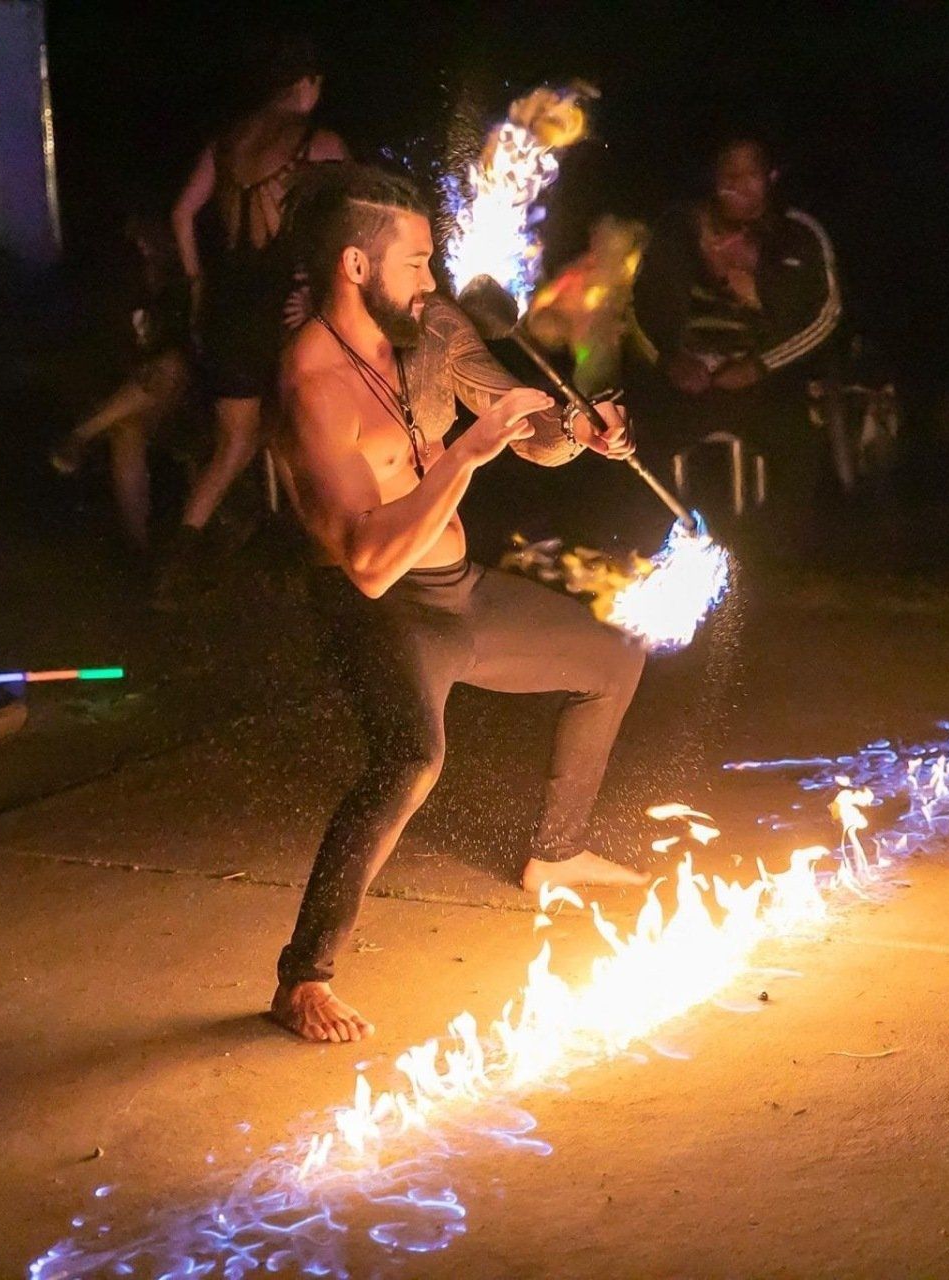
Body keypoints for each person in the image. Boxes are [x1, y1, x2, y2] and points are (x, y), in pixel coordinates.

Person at [269, 164, 649, 1043]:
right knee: (409, 761)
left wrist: (575, 432)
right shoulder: (310, 388)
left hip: (461, 589)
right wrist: (467, 457)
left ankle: (553, 854)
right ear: (356, 267)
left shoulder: (429, 330)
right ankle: (303, 979)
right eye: (416, 263)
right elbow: (366, 562)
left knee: (611, 660)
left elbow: (509, 420)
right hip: (386, 610)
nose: (434, 282)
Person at [160, 35, 349, 601]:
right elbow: (352, 224)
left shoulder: (227, 141)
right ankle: (323, 561)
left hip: (224, 306)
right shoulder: (319, 144)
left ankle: (175, 564)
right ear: (306, 84)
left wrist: (197, 284)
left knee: (235, 443)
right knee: (297, 434)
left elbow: (181, 214)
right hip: (281, 306)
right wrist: (320, 297)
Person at [631, 136, 841, 519]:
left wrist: (759, 362)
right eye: (729, 173)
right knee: (634, 440)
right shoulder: (680, 229)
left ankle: (771, 551)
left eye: (751, 174)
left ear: (770, 177)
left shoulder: (797, 234)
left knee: (796, 442)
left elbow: (824, 316)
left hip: (768, 379)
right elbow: (638, 305)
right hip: (687, 378)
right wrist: (669, 360)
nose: (738, 184)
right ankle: (654, 547)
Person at [49, 214, 192, 553]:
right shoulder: (124, 289)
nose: (142, 249)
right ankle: (139, 547)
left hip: (188, 392)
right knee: (127, 430)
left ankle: (81, 434)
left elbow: (187, 349)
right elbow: (113, 352)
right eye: (136, 243)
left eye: (148, 240)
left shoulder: (182, 284)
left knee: (169, 366)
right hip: (140, 395)